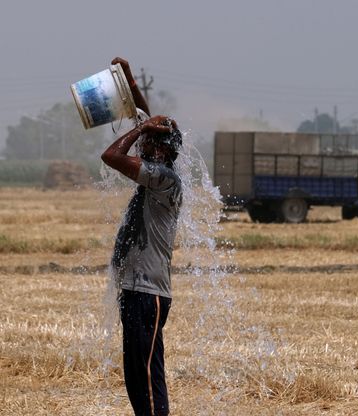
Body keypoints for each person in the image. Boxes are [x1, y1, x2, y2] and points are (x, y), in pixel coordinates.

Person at [101, 57, 182, 416]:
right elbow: (143, 122)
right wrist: (131, 82)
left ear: (162, 152)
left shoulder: (164, 178)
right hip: (136, 291)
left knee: (148, 379)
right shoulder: (160, 169)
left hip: (148, 295)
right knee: (137, 379)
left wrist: (139, 129)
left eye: (150, 141)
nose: (143, 145)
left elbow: (111, 155)